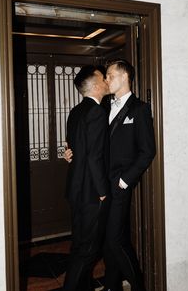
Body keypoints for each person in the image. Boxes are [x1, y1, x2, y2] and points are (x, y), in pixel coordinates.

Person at [64, 59, 156, 291]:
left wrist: (125, 181)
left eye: (110, 75)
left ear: (125, 77)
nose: (106, 79)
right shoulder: (101, 107)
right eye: (104, 76)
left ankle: (138, 285)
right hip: (97, 188)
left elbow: (147, 152)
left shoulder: (140, 109)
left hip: (118, 186)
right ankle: (112, 285)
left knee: (115, 241)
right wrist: (71, 153)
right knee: (104, 242)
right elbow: (90, 145)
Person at [63, 65, 110, 291]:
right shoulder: (98, 112)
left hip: (75, 188)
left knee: (79, 244)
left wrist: (68, 154)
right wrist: (102, 191)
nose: (106, 80)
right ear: (94, 85)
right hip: (91, 191)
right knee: (88, 250)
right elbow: (94, 156)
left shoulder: (75, 111)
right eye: (103, 77)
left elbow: (73, 148)